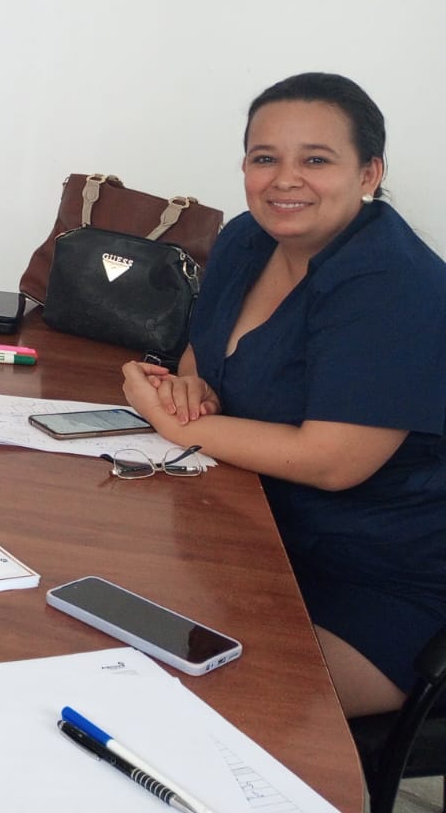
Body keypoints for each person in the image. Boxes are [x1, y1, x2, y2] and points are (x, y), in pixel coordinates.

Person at [121, 72, 446, 717]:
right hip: (253, 533)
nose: (284, 180)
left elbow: (333, 461)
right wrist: (188, 385)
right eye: (264, 158)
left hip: (378, 581)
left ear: (369, 173)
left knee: (190, 707)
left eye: (316, 160)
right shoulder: (247, 238)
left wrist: (175, 423)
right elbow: (204, 349)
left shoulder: (395, 284)